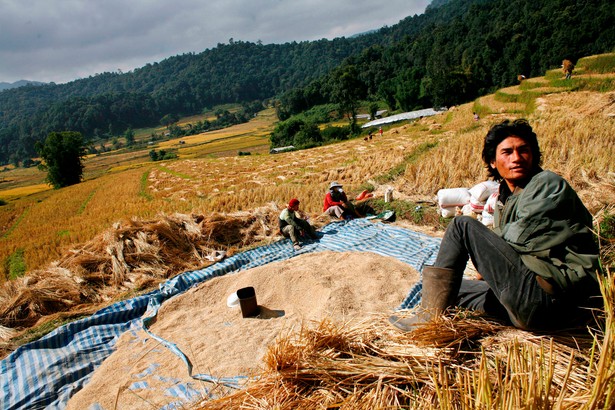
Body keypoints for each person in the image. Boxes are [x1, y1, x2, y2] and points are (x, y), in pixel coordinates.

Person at [390, 119, 601, 331]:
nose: (516, 158)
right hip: (526, 296)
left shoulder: (546, 183)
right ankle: (447, 314)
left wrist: (481, 250)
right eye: (507, 152)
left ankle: (428, 322)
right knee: (454, 290)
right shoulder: (505, 199)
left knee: (461, 226)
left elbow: (519, 238)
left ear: (534, 156)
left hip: (554, 300)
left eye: (523, 151)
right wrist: (487, 259)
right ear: (493, 162)